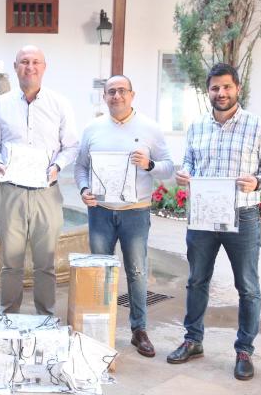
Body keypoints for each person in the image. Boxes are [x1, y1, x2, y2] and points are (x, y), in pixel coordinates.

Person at [166, 63, 261, 380]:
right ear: (208, 91)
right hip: (203, 216)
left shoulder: (258, 126)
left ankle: (244, 351)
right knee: (196, 281)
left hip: (242, 216)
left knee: (247, 287)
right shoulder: (197, 126)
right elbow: (189, 161)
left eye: (227, 87)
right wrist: (185, 174)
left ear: (237, 88)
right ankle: (193, 340)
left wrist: (258, 182)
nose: (221, 93)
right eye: (215, 87)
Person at [74, 74, 173, 357]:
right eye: (111, 92)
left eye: (122, 91)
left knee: (137, 272)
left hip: (135, 213)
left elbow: (168, 167)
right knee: (100, 271)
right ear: (104, 96)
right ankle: (100, 327)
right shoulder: (92, 129)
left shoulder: (150, 128)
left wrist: (150, 164)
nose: (116, 96)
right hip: (100, 212)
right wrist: (84, 189)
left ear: (132, 95)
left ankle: (139, 330)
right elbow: (80, 167)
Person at [0, 45, 79, 315]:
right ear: (16, 67)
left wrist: (57, 166)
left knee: (45, 262)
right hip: (11, 190)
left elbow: (72, 146)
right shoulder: (1, 104)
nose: (30, 67)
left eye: (36, 62)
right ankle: (8, 314)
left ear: (44, 67)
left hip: (46, 190)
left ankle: (45, 315)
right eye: (24, 62)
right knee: (10, 262)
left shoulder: (60, 104)